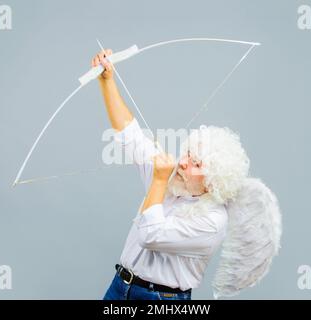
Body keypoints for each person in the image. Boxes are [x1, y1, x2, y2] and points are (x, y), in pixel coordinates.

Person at [92, 49, 281, 300]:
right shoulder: (172, 179)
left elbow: (151, 235)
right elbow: (131, 135)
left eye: (197, 163)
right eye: (189, 152)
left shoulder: (213, 220)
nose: (183, 163)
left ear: (213, 183)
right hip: (119, 288)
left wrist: (159, 181)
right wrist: (107, 82)